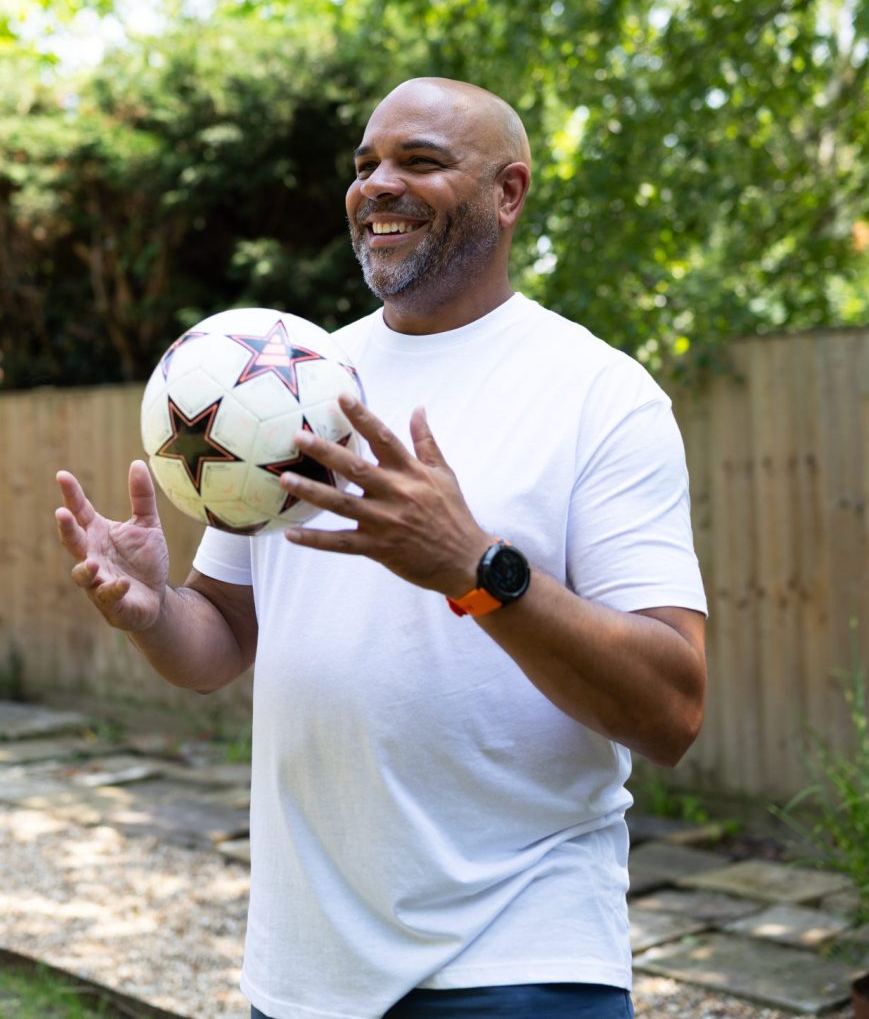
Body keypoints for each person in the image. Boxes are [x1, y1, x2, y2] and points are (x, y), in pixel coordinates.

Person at [53, 78, 708, 1019]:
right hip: (305, 968)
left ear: (509, 192)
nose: (377, 185)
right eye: (365, 166)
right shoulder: (283, 376)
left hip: (520, 958)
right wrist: (157, 613)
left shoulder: (600, 393)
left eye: (421, 161)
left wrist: (478, 570)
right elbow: (222, 640)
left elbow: (673, 710)